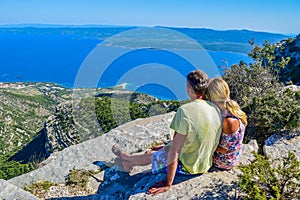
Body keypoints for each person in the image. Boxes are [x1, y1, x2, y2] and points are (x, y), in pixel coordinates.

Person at [112, 70, 222, 195]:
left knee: (154, 155)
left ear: (189, 88)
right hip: (205, 163)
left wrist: (168, 183)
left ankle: (127, 159)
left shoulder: (185, 111)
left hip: (189, 167)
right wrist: (167, 146)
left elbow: (174, 152)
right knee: (160, 149)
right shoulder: (215, 108)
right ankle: (128, 161)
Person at [207, 78, 247, 170]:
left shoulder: (228, 121)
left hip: (224, 162)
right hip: (233, 157)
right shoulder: (232, 104)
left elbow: (225, 149)